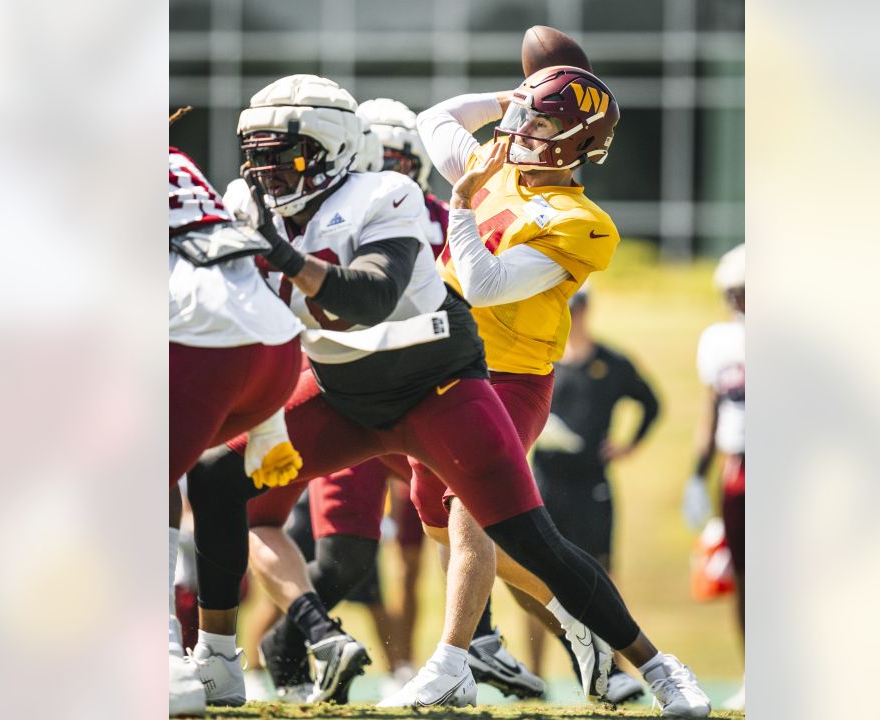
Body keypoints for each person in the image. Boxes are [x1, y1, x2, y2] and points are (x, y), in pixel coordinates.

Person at [193, 73, 709, 717]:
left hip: (447, 384)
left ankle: (657, 669)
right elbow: (439, 116)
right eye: (261, 154)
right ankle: (215, 659)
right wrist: (512, 100)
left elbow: (416, 290)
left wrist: (459, 203)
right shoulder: (258, 200)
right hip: (349, 386)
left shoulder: (400, 196)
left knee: (520, 534)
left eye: (284, 153)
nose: (267, 170)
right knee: (217, 476)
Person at [167, 142, 306, 714]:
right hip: (275, 352)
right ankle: (218, 662)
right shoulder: (176, 159)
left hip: (205, 348)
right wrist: (268, 420)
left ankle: (164, 659)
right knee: (205, 479)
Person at [525, 285, 659, 701]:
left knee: (599, 574)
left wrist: (629, 444)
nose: (573, 315)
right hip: (544, 482)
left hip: (591, 486)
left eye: (578, 307)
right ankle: (533, 675)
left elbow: (650, 402)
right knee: (537, 580)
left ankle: (613, 670)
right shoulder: (539, 360)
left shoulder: (611, 363)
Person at [683, 243, 746, 710]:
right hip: (737, 468)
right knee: (745, 578)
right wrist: (695, 476)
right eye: (735, 292)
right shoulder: (718, 340)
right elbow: (712, 411)